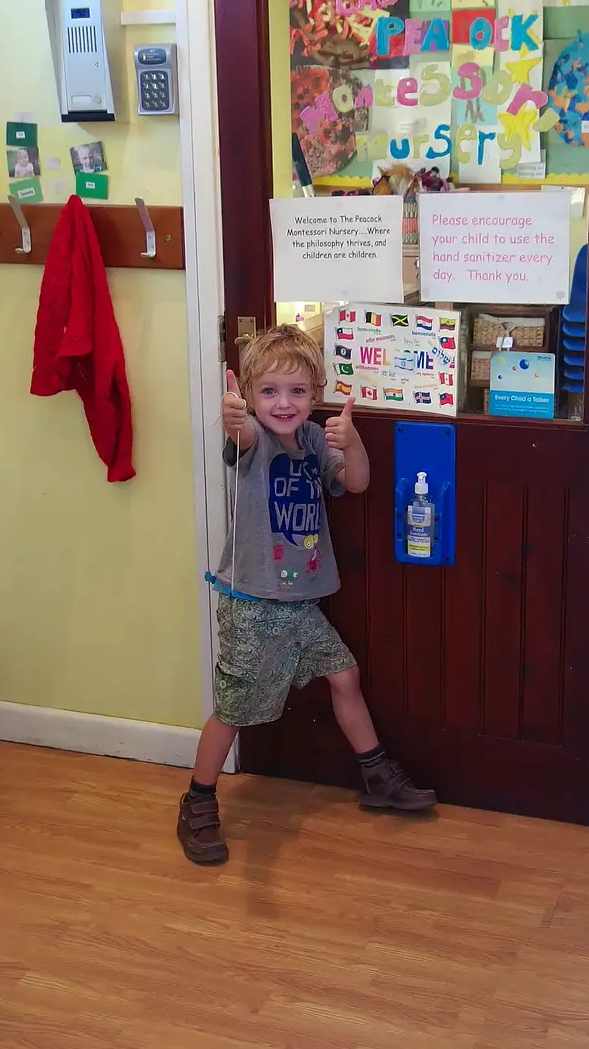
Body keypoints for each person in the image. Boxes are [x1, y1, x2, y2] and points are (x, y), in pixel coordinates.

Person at [179, 325, 435, 865]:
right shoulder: (253, 439)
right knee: (233, 708)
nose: (284, 403)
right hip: (252, 603)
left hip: (301, 602)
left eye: (297, 391)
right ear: (249, 395)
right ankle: (198, 802)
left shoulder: (317, 438)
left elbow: (359, 482)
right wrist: (235, 418)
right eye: (269, 391)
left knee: (344, 675)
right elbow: (243, 434)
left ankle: (376, 776)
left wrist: (353, 441)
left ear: (315, 393)